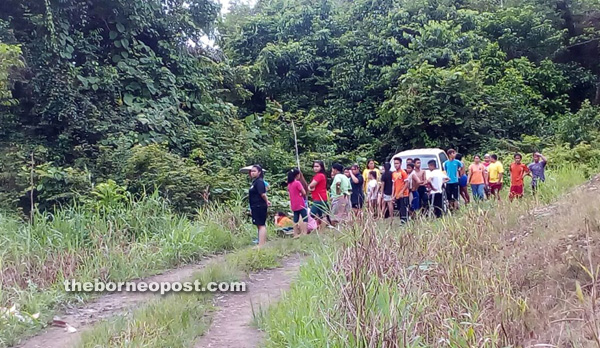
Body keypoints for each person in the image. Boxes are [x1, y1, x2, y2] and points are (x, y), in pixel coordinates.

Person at [249, 165, 270, 247]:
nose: (252, 173)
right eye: (251, 171)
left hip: (259, 205)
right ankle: (261, 243)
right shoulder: (254, 182)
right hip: (254, 206)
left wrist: (267, 201)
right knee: (258, 225)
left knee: (261, 225)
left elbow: (263, 194)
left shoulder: (260, 182)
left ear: (259, 172)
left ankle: (261, 245)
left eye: (254, 171)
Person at [308, 160, 329, 228]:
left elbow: (311, 185)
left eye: (317, 166)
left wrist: (309, 187)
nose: (315, 168)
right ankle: (321, 229)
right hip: (322, 197)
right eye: (314, 166)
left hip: (319, 198)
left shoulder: (319, 176)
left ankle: (318, 228)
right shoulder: (322, 175)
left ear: (321, 167)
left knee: (312, 214)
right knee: (321, 215)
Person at [287, 168, 308, 237]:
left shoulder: (289, 185)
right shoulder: (297, 183)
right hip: (300, 203)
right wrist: (301, 194)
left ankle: (295, 233)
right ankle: (304, 232)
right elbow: (304, 192)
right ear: (297, 175)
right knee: (305, 217)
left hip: (294, 204)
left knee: (295, 219)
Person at [393, 157, 409, 223]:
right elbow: (394, 185)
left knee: (403, 207)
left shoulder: (403, 172)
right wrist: (393, 195)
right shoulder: (393, 173)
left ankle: (404, 220)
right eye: (395, 163)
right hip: (397, 194)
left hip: (404, 194)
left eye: (397, 163)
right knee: (399, 208)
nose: (396, 165)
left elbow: (407, 183)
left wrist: (402, 191)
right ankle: (402, 220)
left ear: (400, 164)